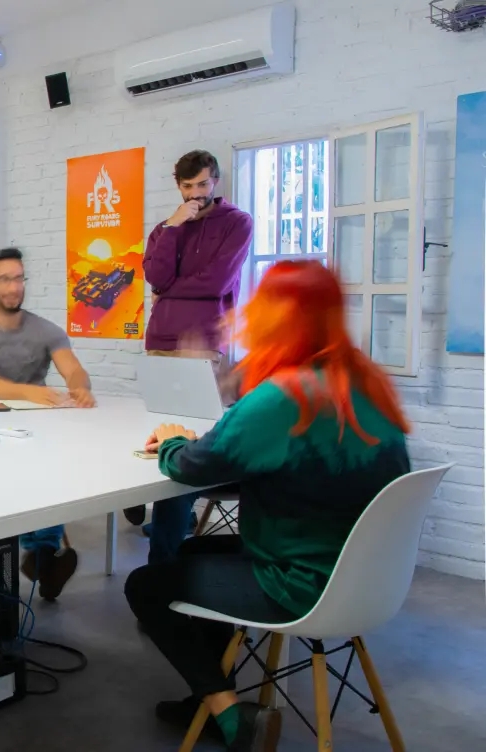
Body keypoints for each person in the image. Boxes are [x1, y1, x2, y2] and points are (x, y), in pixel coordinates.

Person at [124, 261, 411, 752]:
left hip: (301, 584)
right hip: (363, 575)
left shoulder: (286, 395)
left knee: (146, 585)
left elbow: (194, 466)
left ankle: (231, 717)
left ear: (282, 317)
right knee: (192, 554)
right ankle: (205, 697)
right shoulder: (364, 384)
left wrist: (172, 441)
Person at [124, 150, 253, 564]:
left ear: (215, 181)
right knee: (160, 432)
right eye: (188, 186)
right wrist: (175, 228)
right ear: (177, 186)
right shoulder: (167, 227)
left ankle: (166, 544)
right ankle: (163, 519)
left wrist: (169, 290)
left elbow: (215, 283)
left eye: (203, 184)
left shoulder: (237, 222)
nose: (196, 194)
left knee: (193, 439)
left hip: (205, 342)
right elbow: (156, 278)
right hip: (160, 338)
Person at [0, 247, 96, 601]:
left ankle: (43, 553)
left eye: (19, 278)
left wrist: (79, 386)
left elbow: (72, 367)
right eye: (5, 279)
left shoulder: (45, 330)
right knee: (11, 486)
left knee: (49, 470)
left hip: (40, 432)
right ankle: (39, 554)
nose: (14, 287)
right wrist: (32, 393)